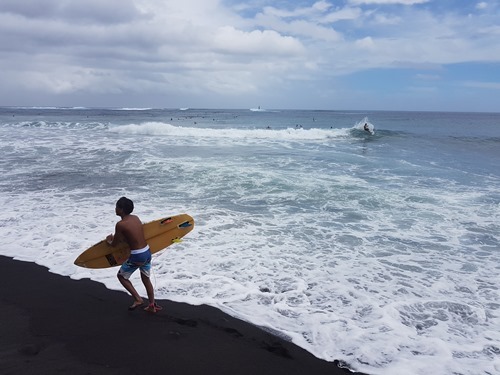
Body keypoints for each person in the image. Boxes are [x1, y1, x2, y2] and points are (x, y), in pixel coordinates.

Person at [106, 197, 161, 313]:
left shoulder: (120, 224)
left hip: (137, 256)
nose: (115, 209)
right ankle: (152, 305)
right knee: (146, 279)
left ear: (121, 210)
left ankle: (138, 299)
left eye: (116, 207)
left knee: (121, 276)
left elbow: (114, 244)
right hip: (147, 252)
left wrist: (109, 240)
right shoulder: (136, 218)